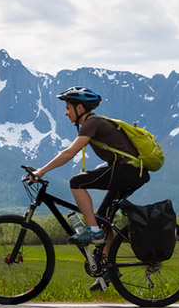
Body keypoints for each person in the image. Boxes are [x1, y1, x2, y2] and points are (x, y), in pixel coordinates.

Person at [29, 85, 149, 257]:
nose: (65, 113)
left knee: (77, 182)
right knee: (103, 219)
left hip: (128, 171)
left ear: (80, 108)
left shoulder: (92, 123)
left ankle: (92, 231)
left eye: (68, 108)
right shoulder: (94, 123)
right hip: (132, 173)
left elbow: (69, 153)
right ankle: (108, 269)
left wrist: (41, 171)